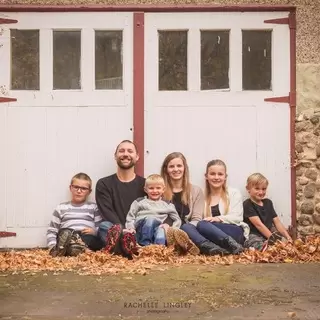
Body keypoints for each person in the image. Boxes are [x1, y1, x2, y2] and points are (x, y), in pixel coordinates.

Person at [95, 140, 145, 258]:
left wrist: (131, 230)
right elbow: (106, 211)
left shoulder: (145, 185)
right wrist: (122, 230)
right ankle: (127, 248)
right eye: (121, 151)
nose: (125, 154)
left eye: (130, 151)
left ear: (137, 157)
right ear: (115, 156)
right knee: (104, 226)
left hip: (136, 232)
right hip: (115, 231)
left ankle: (122, 248)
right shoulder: (104, 184)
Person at [196, 160, 249, 255]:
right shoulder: (201, 195)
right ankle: (216, 249)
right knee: (187, 226)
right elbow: (196, 217)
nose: (216, 177)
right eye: (212, 174)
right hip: (210, 233)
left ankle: (233, 245)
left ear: (225, 177)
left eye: (220, 174)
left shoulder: (234, 193)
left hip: (233, 231)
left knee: (202, 225)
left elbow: (237, 217)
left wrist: (218, 219)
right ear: (206, 176)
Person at [47, 172, 103, 257]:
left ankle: (77, 249)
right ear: (70, 188)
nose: (79, 191)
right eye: (76, 187)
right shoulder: (61, 208)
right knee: (65, 235)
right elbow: (52, 231)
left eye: (83, 188)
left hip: (86, 237)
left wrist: (94, 232)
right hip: (68, 237)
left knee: (91, 239)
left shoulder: (94, 207)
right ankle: (66, 249)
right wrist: (52, 247)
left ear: (89, 191)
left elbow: (100, 228)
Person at [160, 152, 205, 255]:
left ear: (185, 168)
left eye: (179, 166)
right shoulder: (159, 191)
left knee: (187, 228)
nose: (176, 169)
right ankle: (178, 247)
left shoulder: (196, 191)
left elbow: (196, 219)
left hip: (188, 231)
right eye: (171, 166)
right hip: (166, 231)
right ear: (166, 169)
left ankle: (187, 246)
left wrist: (182, 231)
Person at [125, 174, 181, 246]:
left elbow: (177, 219)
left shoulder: (167, 204)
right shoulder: (139, 202)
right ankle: (144, 245)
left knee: (161, 233)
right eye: (151, 188)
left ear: (163, 189)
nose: (155, 191)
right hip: (141, 227)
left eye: (158, 188)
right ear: (145, 189)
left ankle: (158, 251)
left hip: (158, 226)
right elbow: (130, 216)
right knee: (150, 219)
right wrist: (131, 228)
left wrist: (171, 230)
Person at [243, 173, 292, 251]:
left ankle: (273, 246)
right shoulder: (247, 204)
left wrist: (288, 237)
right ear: (248, 188)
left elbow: (277, 222)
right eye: (257, 188)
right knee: (255, 242)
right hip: (254, 235)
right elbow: (259, 225)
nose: (261, 192)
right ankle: (265, 247)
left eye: (264, 189)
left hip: (269, 233)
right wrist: (275, 241)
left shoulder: (268, 203)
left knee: (283, 240)